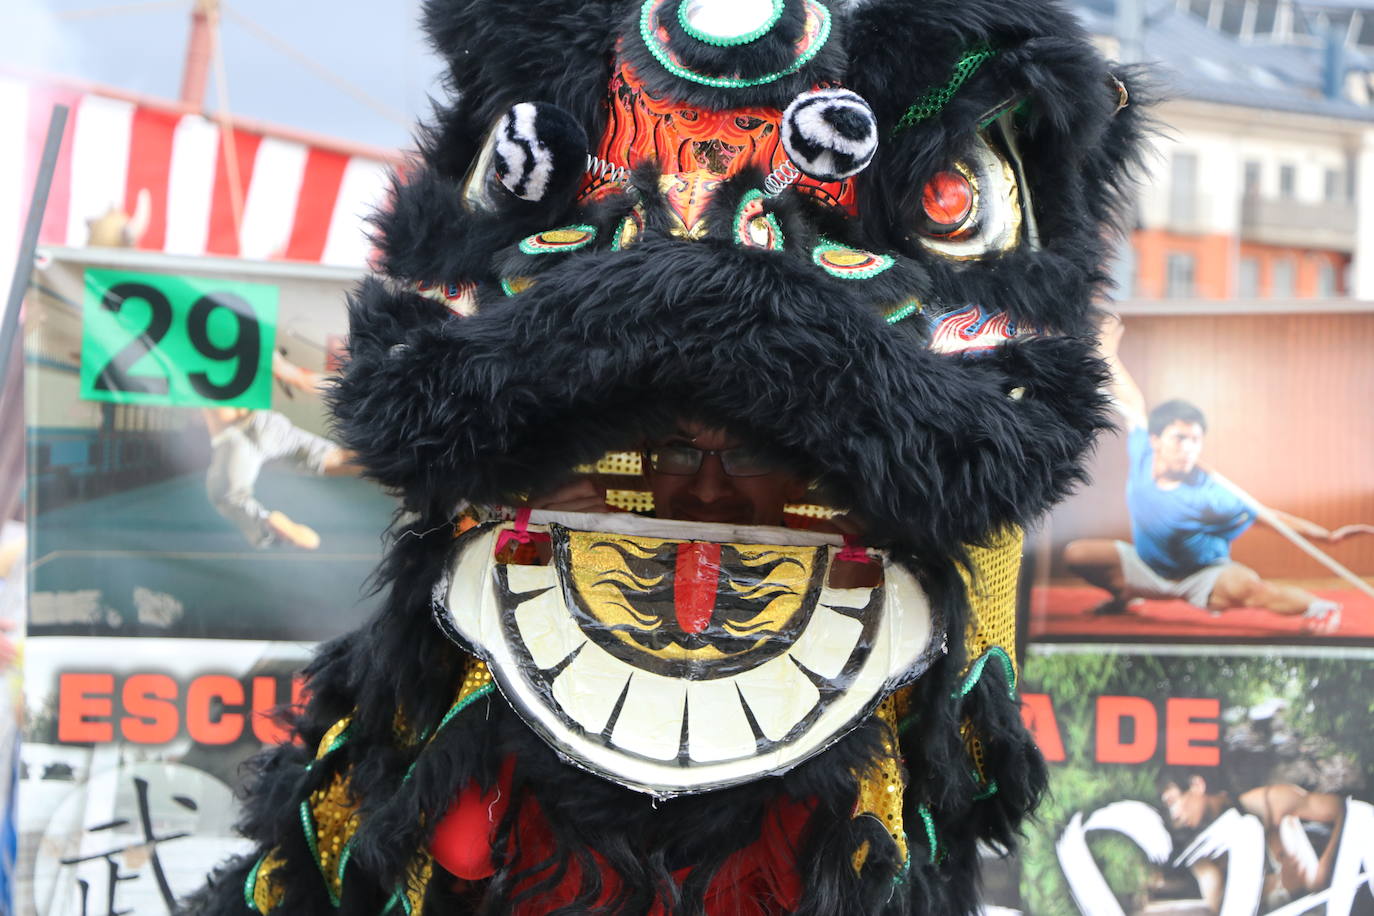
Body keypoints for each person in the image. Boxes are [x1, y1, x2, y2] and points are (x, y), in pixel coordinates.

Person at [1063, 316, 1366, 634]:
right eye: (1180, 439)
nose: (1189, 449)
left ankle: (1319, 606)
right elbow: (1132, 403)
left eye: (1195, 441)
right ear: (1157, 440)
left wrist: (1326, 537)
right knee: (1079, 554)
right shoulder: (1143, 450)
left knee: (1253, 589)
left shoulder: (1210, 496)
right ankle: (1124, 595)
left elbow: (1271, 518)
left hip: (1201, 577)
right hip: (1146, 568)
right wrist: (1109, 355)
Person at [203, 351, 357, 550]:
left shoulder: (192, 349)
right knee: (336, 459)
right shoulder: (256, 343)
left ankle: (267, 525)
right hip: (267, 424)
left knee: (226, 495)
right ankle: (380, 462)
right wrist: (291, 372)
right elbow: (299, 379)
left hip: (233, 433)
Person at [1159, 771, 1347, 911]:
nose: (1174, 814)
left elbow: (1343, 809)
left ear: (1197, 786)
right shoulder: (1200, 853)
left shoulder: (1266, 803)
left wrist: (1327, 868)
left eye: (1173, 801)